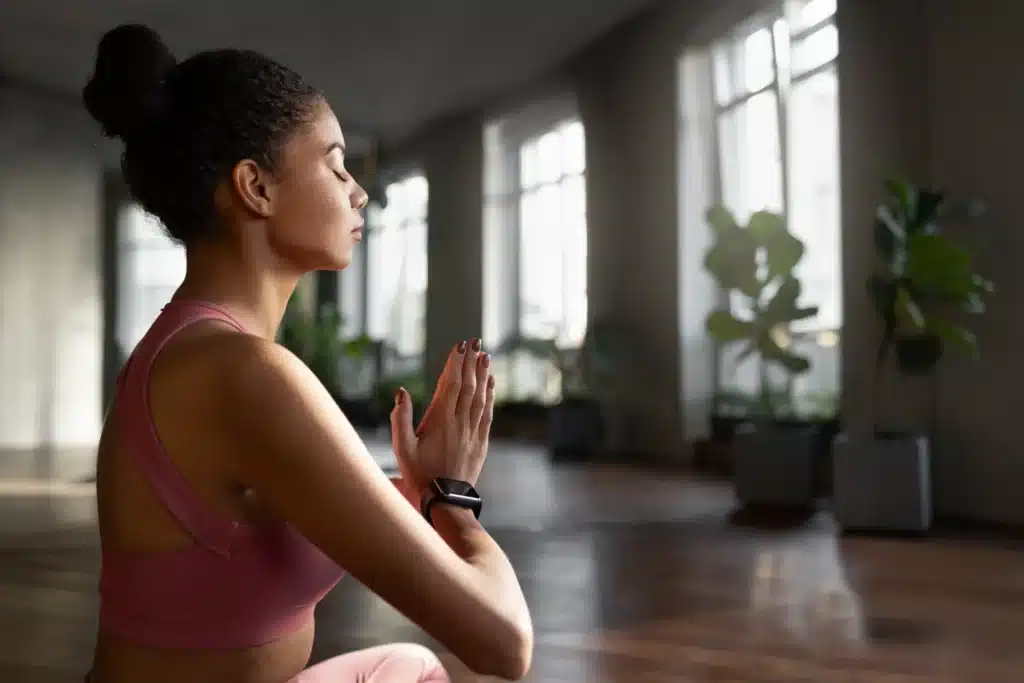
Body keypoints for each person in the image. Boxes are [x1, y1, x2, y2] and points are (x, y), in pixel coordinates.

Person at [82, 24, 533, 683]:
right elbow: (504, 643)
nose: (358, 191)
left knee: (409, 667)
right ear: (256, 187)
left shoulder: (193, 352)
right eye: (335, 164)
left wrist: (417, 488)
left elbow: (314, 516)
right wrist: (452, 499)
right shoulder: (243, 375)